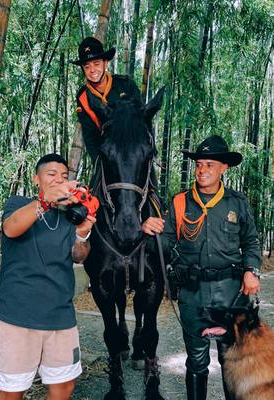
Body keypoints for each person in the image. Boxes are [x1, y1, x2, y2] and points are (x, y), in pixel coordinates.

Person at [141, 135, 262, 400]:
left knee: (231, 361)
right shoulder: (179, 203)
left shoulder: (236, 202)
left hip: (230, 292)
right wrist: (149, 231)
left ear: (223, 169)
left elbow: (251, 241)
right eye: (199, 165)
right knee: (196, 361)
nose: (202, 170)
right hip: (192, 292)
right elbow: (163, 245)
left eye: (209, 165)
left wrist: (251, 270)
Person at [0, 153, 96, 400]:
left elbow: (78, 256)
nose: (58, 180)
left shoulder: (68, 216)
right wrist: (44, 202)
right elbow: (11, 228)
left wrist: (82, 234)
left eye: (63, 176)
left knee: (64, 388)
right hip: (18, 318)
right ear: (36, 179)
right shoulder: (18, 203)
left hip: (60, 317)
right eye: (51, 174)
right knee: (12, 391)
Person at [72, 36, 143, 165]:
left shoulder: (126, 85)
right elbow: (90, 137)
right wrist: (100, 164)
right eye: (87, 66)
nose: (92, 70)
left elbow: (141, 121)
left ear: (106, 63)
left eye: (96, 64)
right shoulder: (82, 97)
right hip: (106, 152)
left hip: (132, 148)